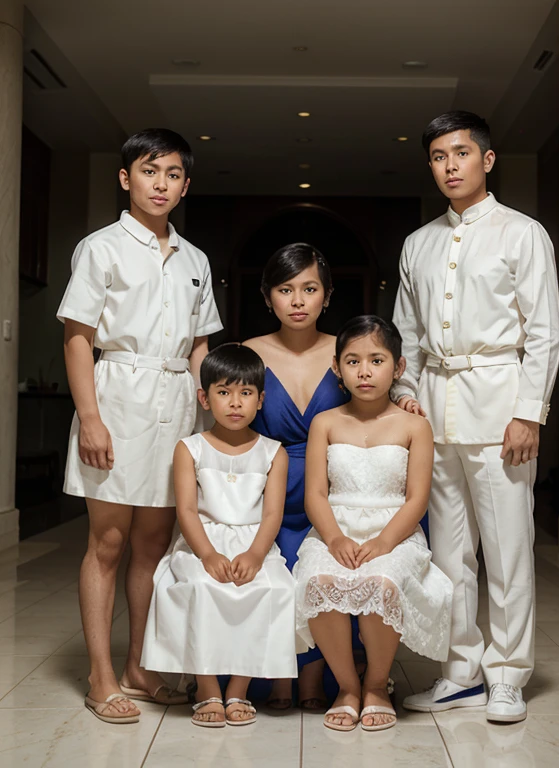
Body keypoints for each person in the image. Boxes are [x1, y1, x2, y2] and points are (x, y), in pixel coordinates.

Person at [394, 111, 559, 723]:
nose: (449, 166)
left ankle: (509, 673)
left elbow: (544, 332)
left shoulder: (523, 233)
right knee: (448, 551)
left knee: (508, 546)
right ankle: (460, 671)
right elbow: (407, 334)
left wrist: (529, 413)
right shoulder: (419, 242)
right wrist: (406, 395)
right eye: (438, 156)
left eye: (460, 154)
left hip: (500, 400)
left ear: (486, 160)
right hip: (434, 405)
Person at [57, 129, 223, 724]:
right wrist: (91, 419)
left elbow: (202, 345)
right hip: (117, 395)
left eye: (174, 174)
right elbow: (78, 338)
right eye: (150, 171)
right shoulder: (99, 248)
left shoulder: (195, 259)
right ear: (127, 178)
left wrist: (209, 412)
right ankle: (101, 677)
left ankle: (140, 668)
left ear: (184, 184)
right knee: (107, 542)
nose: (162, 184)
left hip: (177, 401)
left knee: (155, 543)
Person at [294, 315, 453, 732]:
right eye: (353, 361)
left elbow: (417, 498)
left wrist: (384, 542)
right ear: (337, 368)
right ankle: (348, 687)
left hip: (394, 532)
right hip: (336, 528)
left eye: (377, 360)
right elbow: (316, 494)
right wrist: (333, 538)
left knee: (382, 583)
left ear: (398, 368)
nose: (364, 371)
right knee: (320, 584)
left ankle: (377, 685)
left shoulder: (414, 425)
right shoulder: (324, 423)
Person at [141, 344, 297, 727]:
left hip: (254, 544)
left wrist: (257, 555)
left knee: (272, 588)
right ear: (204, 398)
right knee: (199, 586)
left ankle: (239, 689)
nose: (235, 403)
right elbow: (188, 511)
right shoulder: (189, 449)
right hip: (202, 543)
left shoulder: (273, 453)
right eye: (223, 392)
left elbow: (273, 513)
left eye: (245, 393)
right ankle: (207, 686)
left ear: (260, 400)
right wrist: (208, 555)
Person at [244, 243, 349, 710]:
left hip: (334, 490)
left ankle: (317, 675)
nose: (299, 300)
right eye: (286, 290)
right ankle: (279, 673)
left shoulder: (346, 350)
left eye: (310, 289)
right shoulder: (248, 351)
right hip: (272, 488)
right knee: (281, 566)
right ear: (268, 298)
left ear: (327, 296)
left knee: (324, 569)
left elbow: (375, 400)